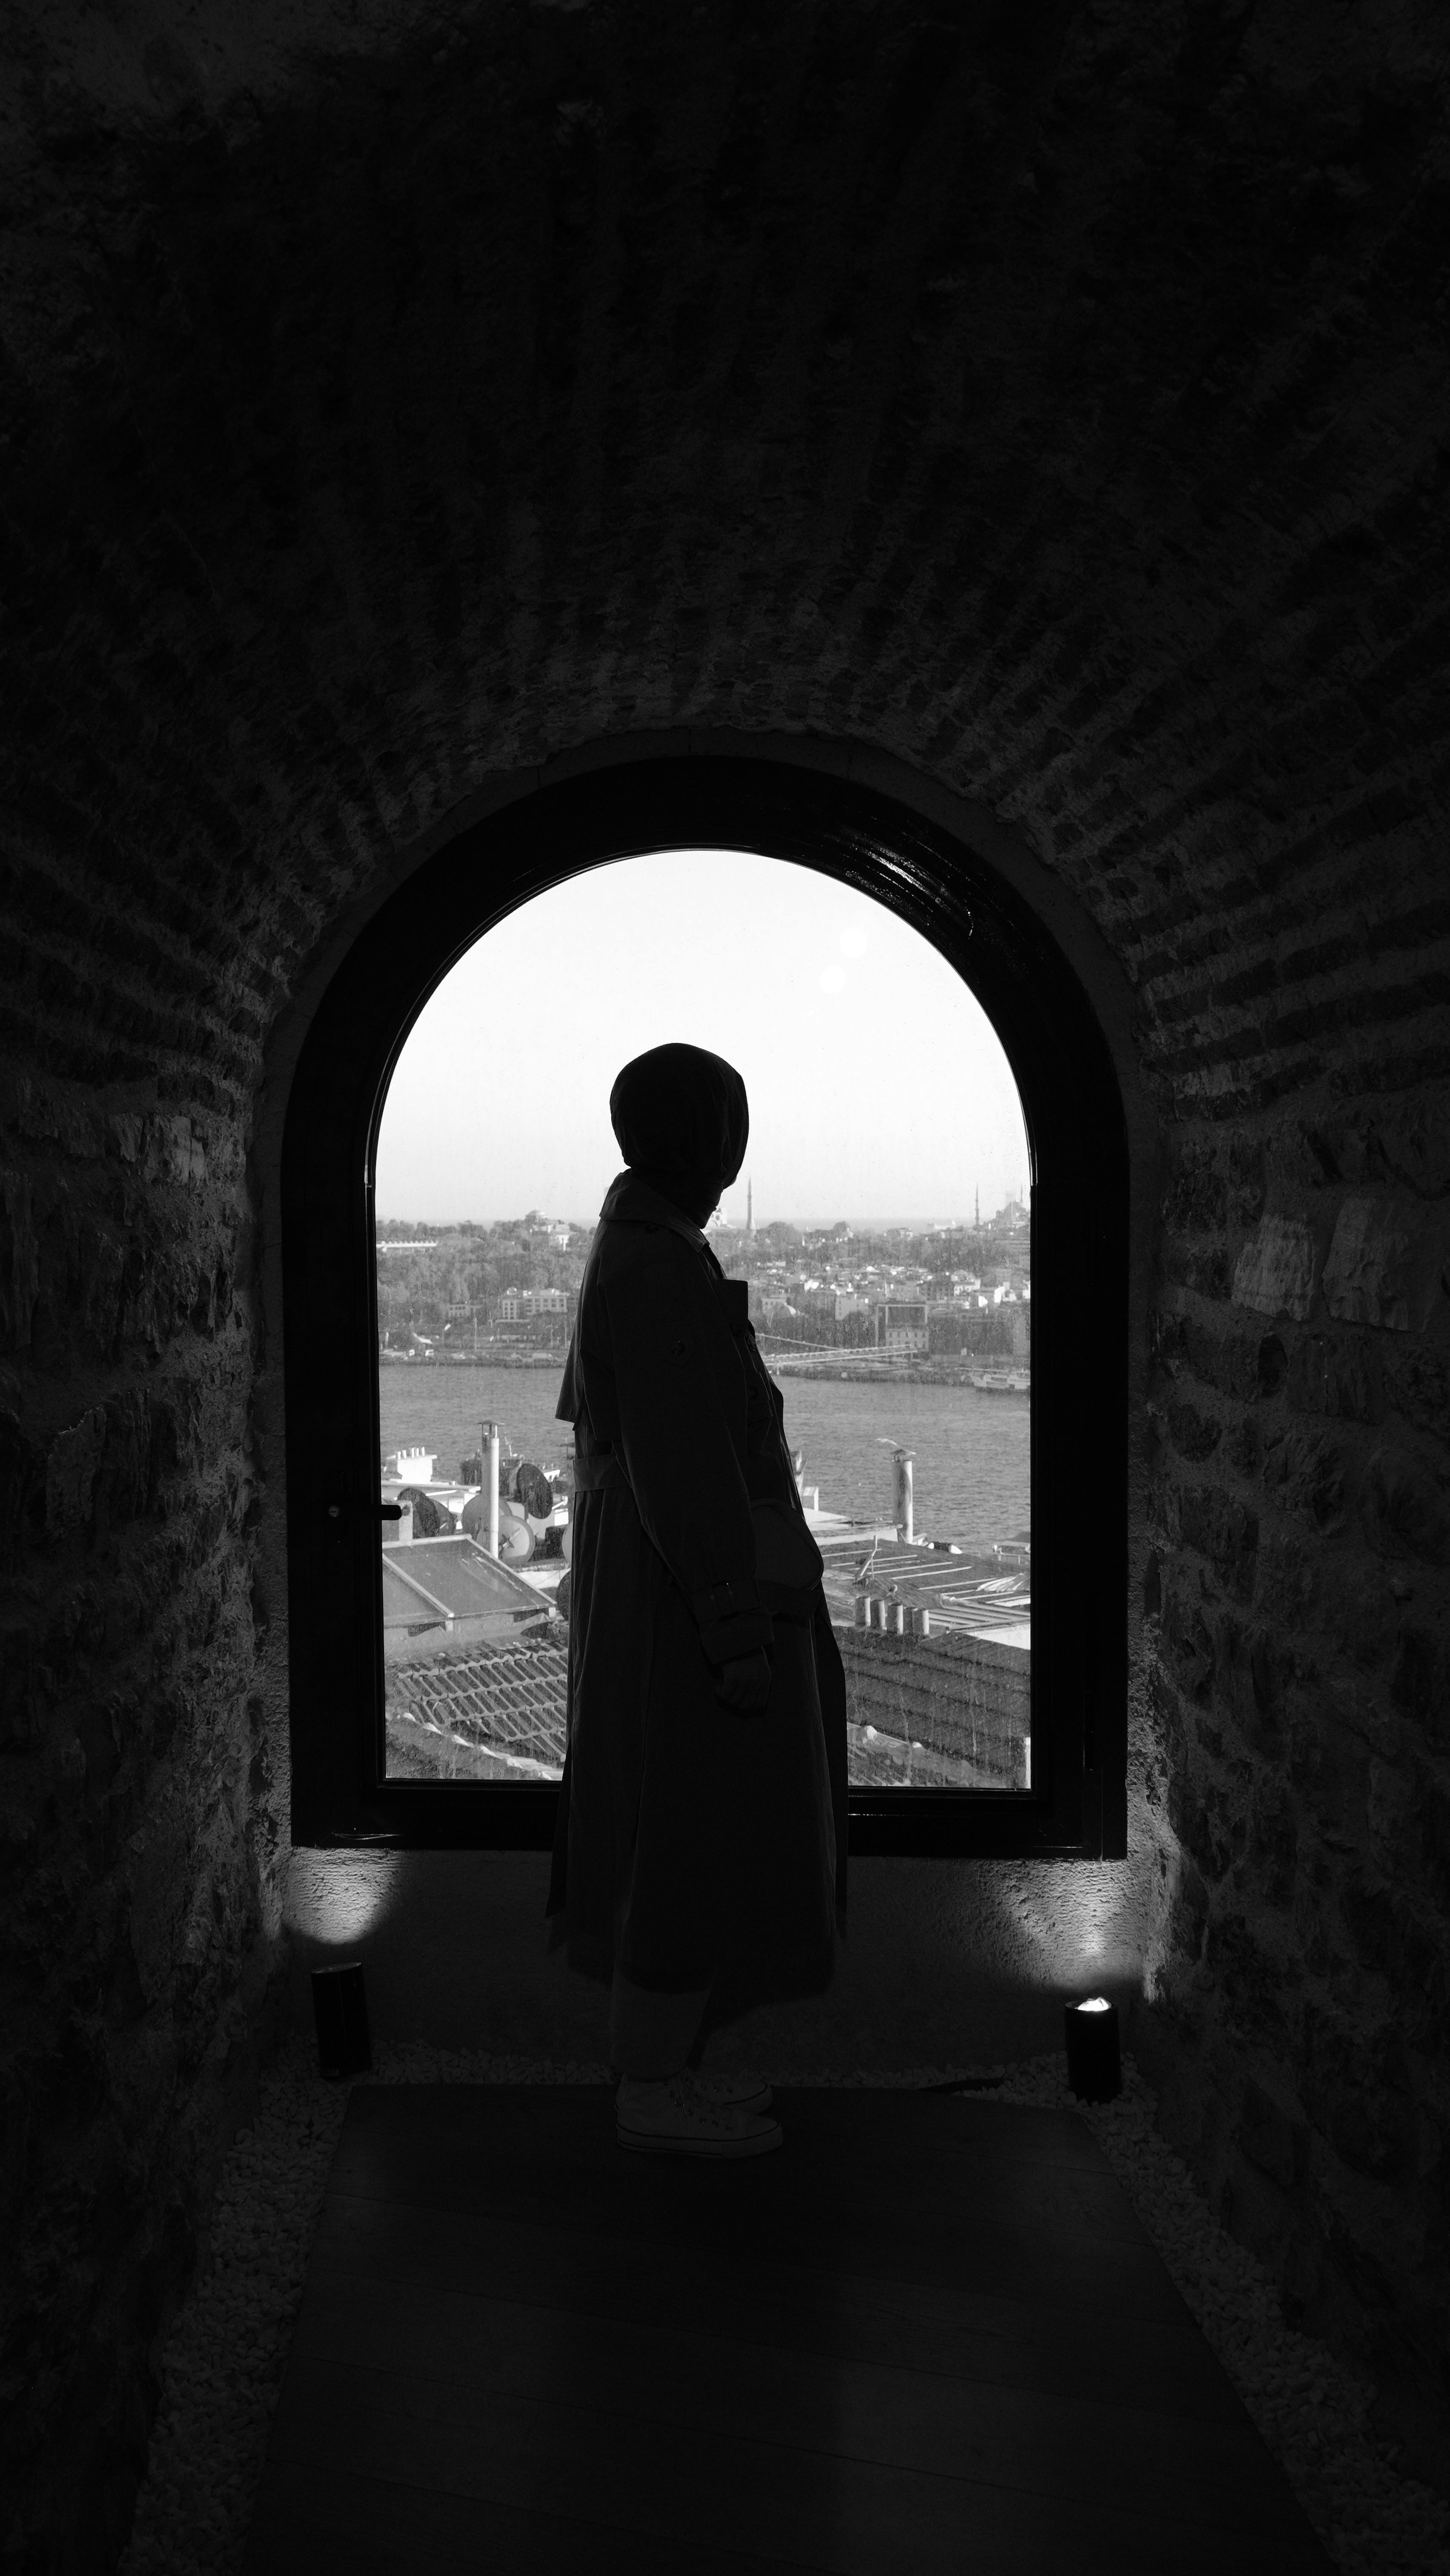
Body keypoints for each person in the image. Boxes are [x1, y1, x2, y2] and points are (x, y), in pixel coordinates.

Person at [547, 1042, 848, 2157]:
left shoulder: (638, 1253)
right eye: (728, 1129)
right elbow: (686, 1468)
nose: (735, 1153)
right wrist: (735, 1629)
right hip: (688, 1607)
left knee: (686, 1827)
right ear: (704, 1143)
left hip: (665, 1589)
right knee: (683, 1830)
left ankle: (669, 2064)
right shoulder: (661, 1269)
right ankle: (651, 2081)